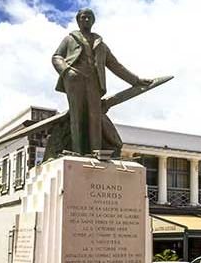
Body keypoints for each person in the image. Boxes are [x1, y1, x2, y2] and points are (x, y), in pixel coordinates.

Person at [52, 8, 152, 156]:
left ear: (93, 21)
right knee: (76, 116)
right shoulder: (69, 39)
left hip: (94, 82)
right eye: (83, 17)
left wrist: (136, 80)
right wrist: (67, 71)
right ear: (78, 20)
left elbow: (116, 66)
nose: (86, 20)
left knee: (95, 117)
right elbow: (56, 57)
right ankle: (77, 151)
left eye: (89, 17)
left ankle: (96, 151)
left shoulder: (101, 45)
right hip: (75, 79)